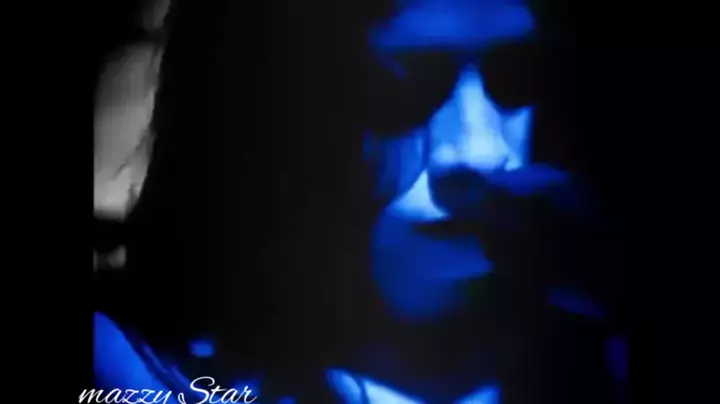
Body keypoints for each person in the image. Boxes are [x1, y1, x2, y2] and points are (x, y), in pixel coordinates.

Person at [93, 0, 626, 402]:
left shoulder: (600, 354)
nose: (480, 152)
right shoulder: (128, 370)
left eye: (516, 75)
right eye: (403, 85)